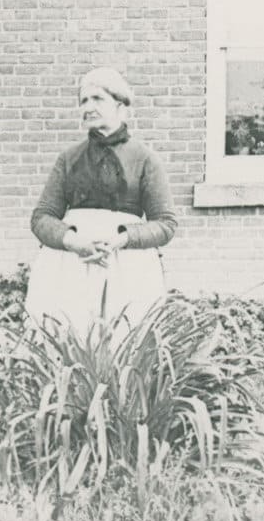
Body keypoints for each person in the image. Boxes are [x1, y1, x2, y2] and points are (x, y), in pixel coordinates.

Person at [25, 67, 178, 333]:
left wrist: (123, 238)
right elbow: (41, 218)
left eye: (97, 99)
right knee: (70, 339)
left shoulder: (144, 158)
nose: (88, 107)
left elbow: (165, 224)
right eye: (83, 101)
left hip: (127, 267)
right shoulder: (69, 158)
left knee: (124, 342)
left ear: (120, 106)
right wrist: (73, 242)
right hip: (70, 267)